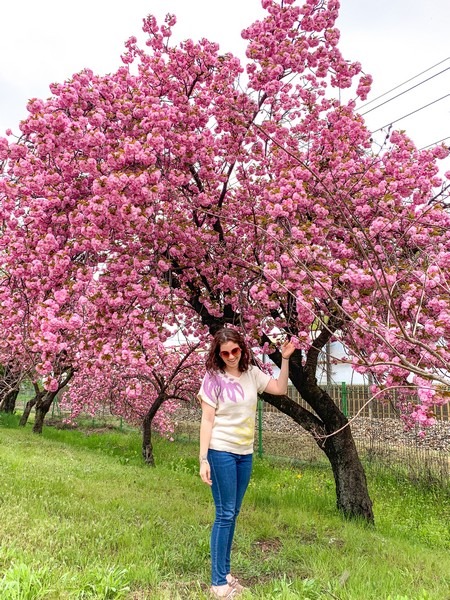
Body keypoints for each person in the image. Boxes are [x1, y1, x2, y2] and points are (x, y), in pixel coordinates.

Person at [198, 328, 295, 599]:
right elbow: (207, 420)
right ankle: (218, 584)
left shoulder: (252, 374)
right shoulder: (213, 379)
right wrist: (203, 459)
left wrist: (284, 359)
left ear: (242, 349)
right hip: (221, 452)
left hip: (244, 453)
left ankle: (226, 575)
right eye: (225, 352)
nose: (230, 357)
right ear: (218, 354)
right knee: (224, 514)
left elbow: (279, 388)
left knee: (234, 513)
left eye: (235, 351)